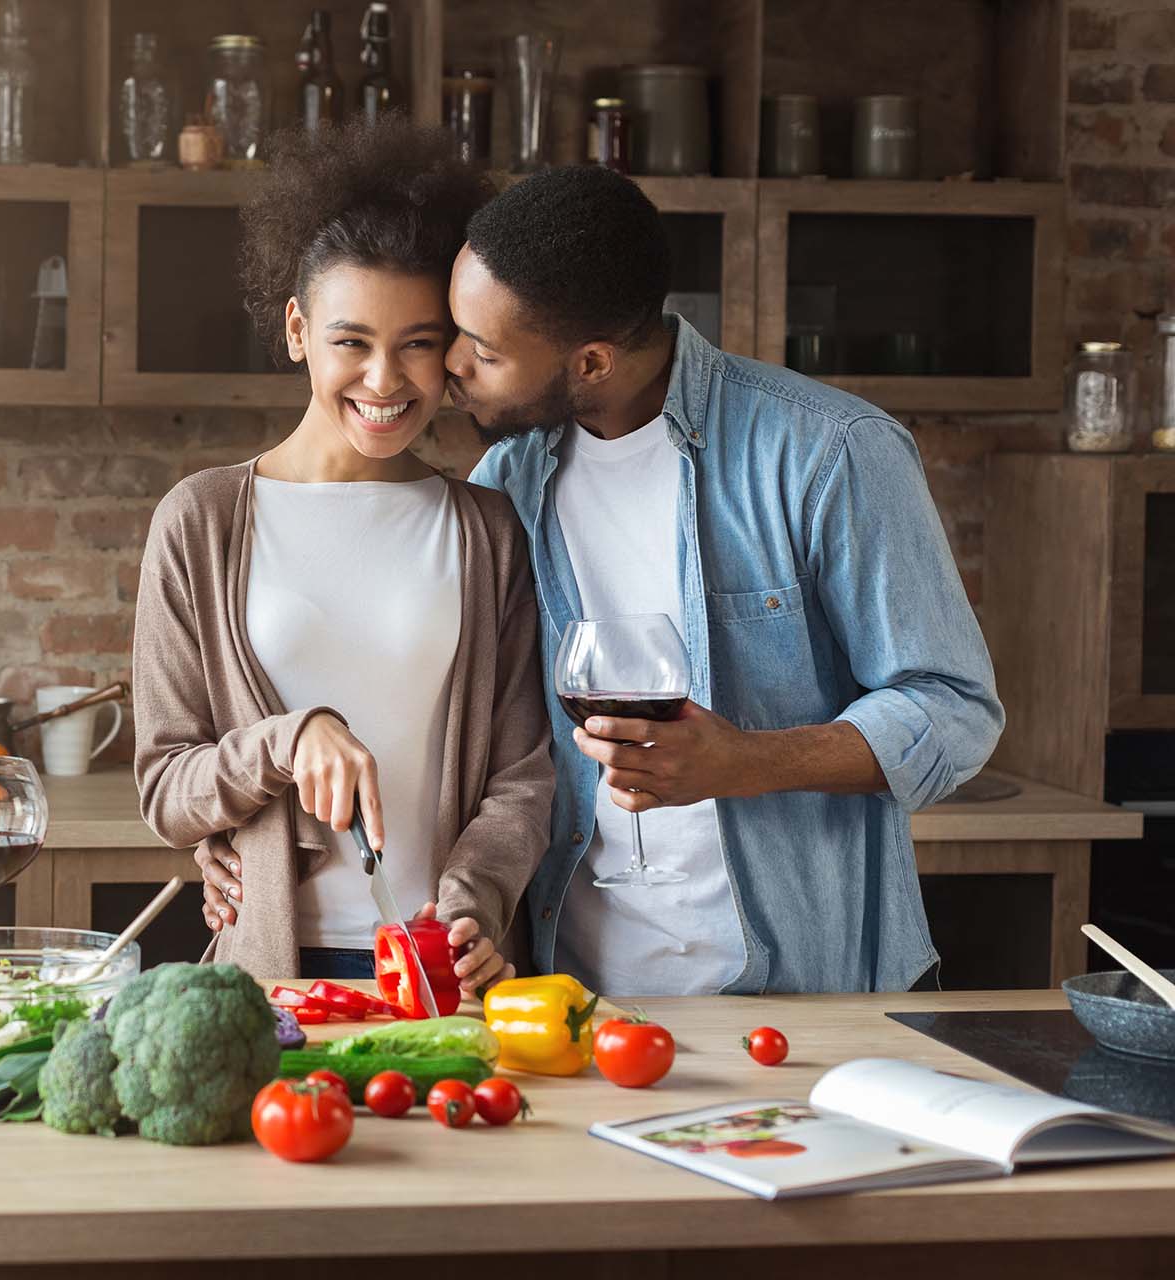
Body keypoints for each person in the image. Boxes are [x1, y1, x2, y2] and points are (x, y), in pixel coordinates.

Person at [444, 165, 1003, 996]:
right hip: (577, 997)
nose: (452, 362)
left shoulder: (828, 451)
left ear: (591, 360)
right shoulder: (507, 483)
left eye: (485, 351)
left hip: (807, 991)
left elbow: (954, 710)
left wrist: (743, 761)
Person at [132, 119, 553, 993]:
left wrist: (474, 903)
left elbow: (522, 777)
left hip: (442, 981)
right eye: (351, 341)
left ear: (454, 351)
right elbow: (168, 788)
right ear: (297, 330)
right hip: (268, 982)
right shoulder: (200, 522)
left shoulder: (487, 531)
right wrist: (289, 739)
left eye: (419, 344)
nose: (384, 380)